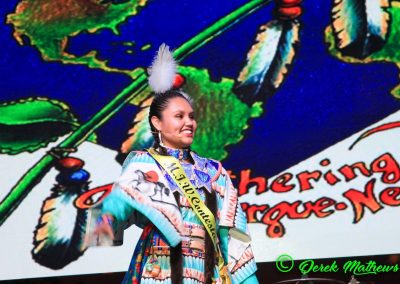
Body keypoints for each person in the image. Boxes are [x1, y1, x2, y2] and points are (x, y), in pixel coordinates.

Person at [92, 44, 259, 284]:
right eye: (179, 116)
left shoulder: (214, 172)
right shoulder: (144, 164)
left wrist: (248, 280)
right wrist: (110, 211)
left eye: (191, 116)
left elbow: (234, 235)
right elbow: (108, 223)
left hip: (209, 274)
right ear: (157, 123)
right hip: (159, 273)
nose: (189, 122)